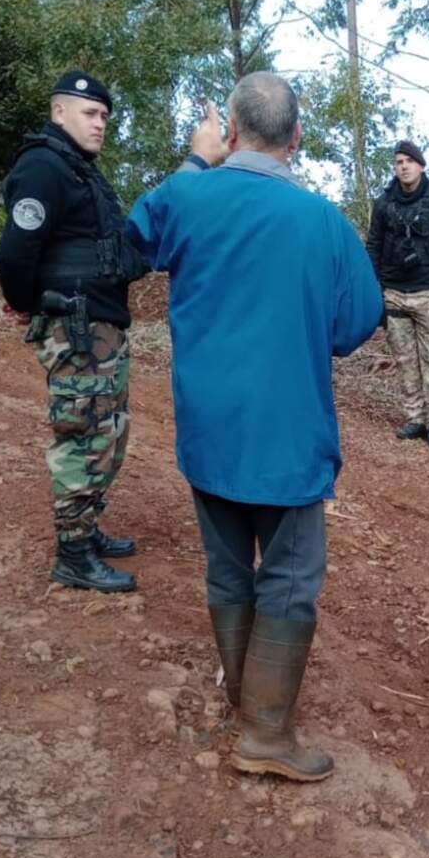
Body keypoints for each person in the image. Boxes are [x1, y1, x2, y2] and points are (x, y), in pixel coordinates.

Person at [125, 72, 382, 783]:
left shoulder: (187, 196)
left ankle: (246, 703)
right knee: (291, 579)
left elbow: (130, 242)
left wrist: (195, 161)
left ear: (229, 131)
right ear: (296, 139)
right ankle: (265, 734)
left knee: (228, 566)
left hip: (209, 433)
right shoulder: (322, 221)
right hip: (289, 435)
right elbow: (357, 322)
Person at [0, 71, 149, 592]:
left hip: (99, 328)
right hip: (75, 328)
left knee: (110, 431)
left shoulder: (79, 170)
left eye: (105, 115)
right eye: (90, 113)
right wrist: (24, 305)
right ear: (59, 113)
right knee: (84, 432)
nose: (100, 123)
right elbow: (15, 252)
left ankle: (87, 526)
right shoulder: (43, 167)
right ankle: (73, 552)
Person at [365, 139, 429, 454]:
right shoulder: (384, 203)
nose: (404, 166)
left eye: (409, 161)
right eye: (398, 162)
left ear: (421, 165)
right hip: (394, 293)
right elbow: (373, 246)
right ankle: (416, 419)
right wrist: (373, 290)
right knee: (406, 361)